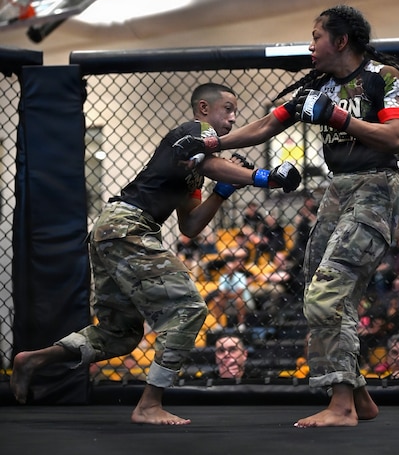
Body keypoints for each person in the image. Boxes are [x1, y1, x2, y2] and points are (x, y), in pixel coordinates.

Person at [173, 3, 399, 427]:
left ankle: (340, 406)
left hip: (377, 185)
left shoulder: (385, 78)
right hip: (337, 189)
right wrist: (209, 144)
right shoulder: (318, 87)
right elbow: (266, 127)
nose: (310, 45)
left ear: (340, 41)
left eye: (316, 36)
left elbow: (395, 138)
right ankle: (357, 396)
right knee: (317, 294)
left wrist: (338, 117)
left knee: (329, 294)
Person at [10, 82, 301, 425]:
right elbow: (212, 165)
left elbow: (190, 226)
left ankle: (33, 360)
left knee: (121, 334)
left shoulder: (191, 170)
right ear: (204, 109)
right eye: (228, 109)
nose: (232, 118)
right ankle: (149, 404)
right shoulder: (194, 132)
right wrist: (263, 176)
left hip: (115, 230)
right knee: (191, 309)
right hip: (127, 227)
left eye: (235, 112)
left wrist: (222, 193)